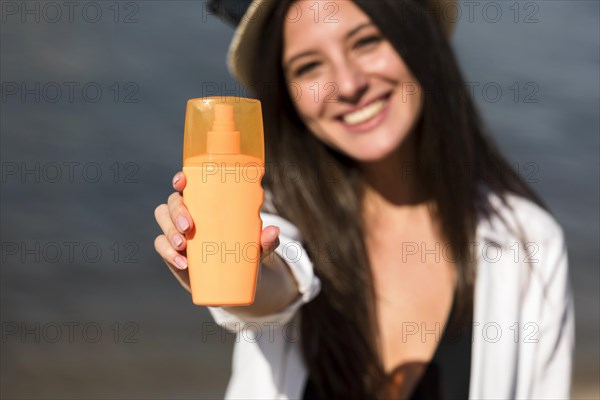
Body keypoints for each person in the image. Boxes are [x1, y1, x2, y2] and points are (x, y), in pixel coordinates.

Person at [154, 0, 575, 398]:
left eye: (367, 41)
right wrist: (236, 274)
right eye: (309, 66)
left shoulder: (530, 244)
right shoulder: (274, 217)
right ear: (288, 95)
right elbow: (275, 285)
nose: (349, 84)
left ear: (418, 38)